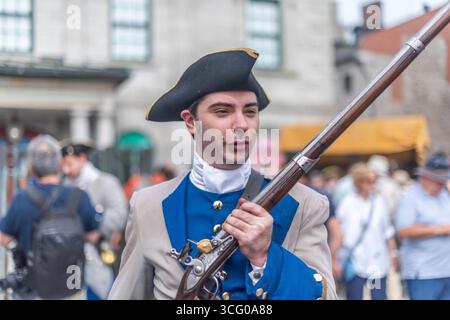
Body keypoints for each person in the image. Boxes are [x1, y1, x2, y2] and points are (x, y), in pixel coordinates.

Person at [109, 48, 337, 300]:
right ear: (190, 122)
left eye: (250, 111)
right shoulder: (146, 206)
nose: (241, 124)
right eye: (222, 111)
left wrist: (266, 257)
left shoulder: (305, 204)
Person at [0, 134, 100, 299]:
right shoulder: (79, 196)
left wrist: (16, 245)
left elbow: (3, 237)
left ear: (31, 167)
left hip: (32, 289)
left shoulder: (21, 199)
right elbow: (93, 236)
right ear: (59, 163)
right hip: (71, 286)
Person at [61, 141, 128, 299]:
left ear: (82, 158)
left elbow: (120, 214)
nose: (65, 169)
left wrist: (97, 228)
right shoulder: (62, 186)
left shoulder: (105, 182)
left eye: (69, 163)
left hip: (98, 257)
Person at [336, 163, 398, 300]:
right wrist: (335, 259)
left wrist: (394, 254)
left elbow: (387, 231)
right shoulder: (347, 203)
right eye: (369, 181)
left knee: (378, 296)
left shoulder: (379, 202)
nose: (373, 184)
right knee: (354, 297)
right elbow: (338, 233)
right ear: (359, 182)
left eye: (374, 181)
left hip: (377, 262)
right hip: (354, 260)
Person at [395, 153, 450, 300]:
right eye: (438, 181)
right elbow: (404, 230)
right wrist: (440, 229)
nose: (442, 185)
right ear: (425, 177)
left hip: (445, 270)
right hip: (423, 272)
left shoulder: (444, 195)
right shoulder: (410, 198)